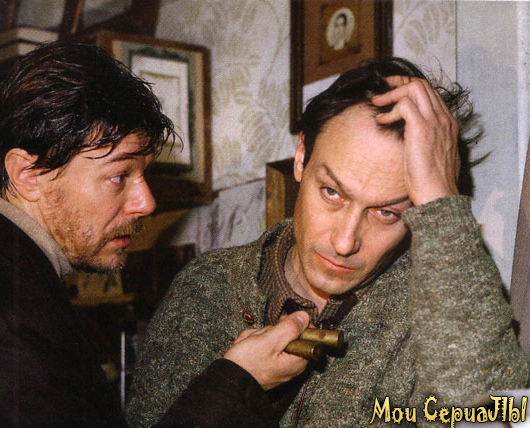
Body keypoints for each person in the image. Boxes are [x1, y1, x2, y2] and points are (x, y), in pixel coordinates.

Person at [126, 57, 530, 428]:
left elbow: (496, 417)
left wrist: (442, 202)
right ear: (301, 157)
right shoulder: (206, 287)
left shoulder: (439, 311)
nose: (344, 241)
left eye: (386, 213)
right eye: (332, 193)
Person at [0, 42, 311, 428]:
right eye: (118, 176)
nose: (146, 202)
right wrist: (238, 382)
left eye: (143, 173)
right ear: (28, 175)